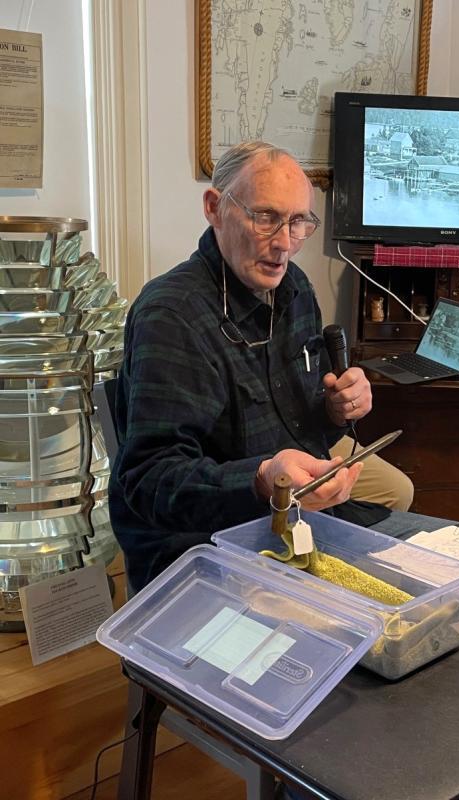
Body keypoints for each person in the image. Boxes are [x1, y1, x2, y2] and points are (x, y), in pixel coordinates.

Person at [110, 141, 420, 593]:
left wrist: (335, 410)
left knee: (400, 499)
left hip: (290, 484)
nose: (283, 245)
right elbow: (151, 481)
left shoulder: (293, 288)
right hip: (212, 530)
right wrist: (261, 480)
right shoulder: (172, 316)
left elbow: (306, 424)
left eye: (298, 222)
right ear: (215, 208)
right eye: (265, 217)